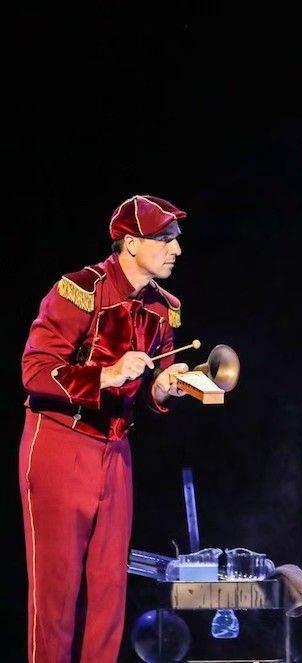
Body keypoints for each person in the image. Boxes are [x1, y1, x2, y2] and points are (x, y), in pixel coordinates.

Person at [19, 195, 190, 662]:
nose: (176, 249)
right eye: (165, 239)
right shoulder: (80, 290)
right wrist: (106, 374)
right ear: (130, 243)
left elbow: (150, 388)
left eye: (176, 239)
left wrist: (164, 389)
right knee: (56, 592)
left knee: (109, 593)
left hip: (115, 450)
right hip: (60, 442)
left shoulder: (162, 307)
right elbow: (34, 371)